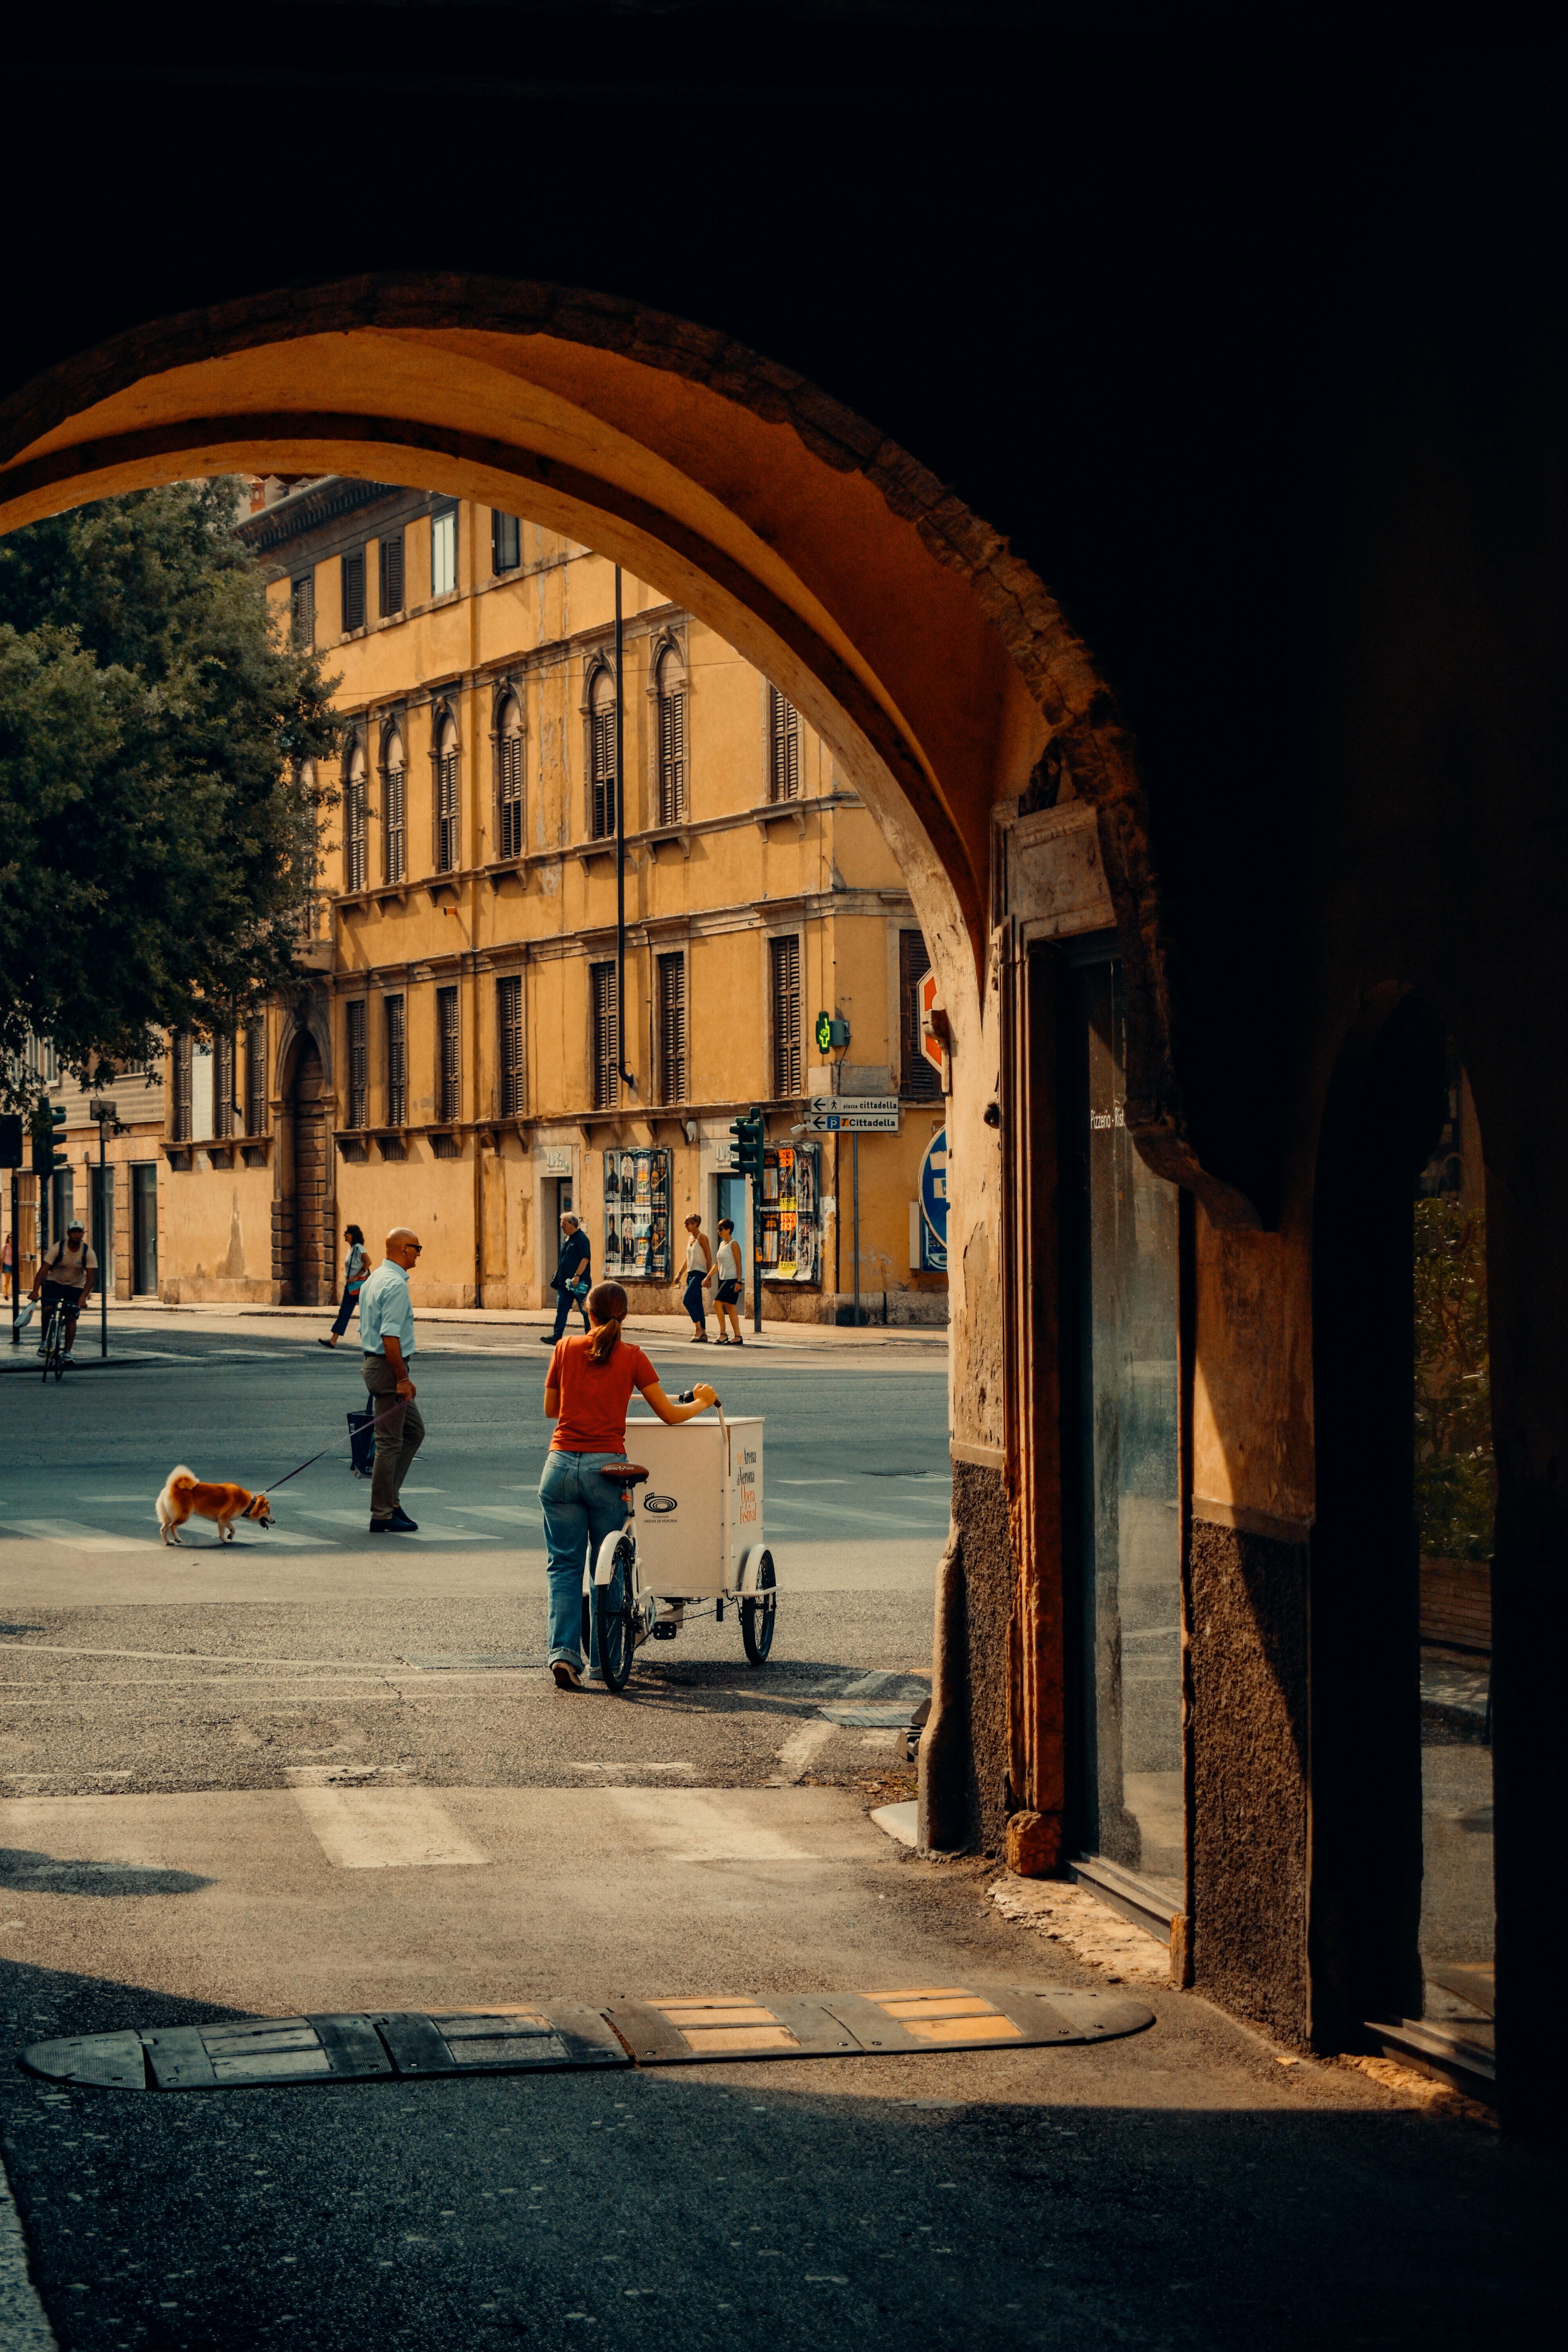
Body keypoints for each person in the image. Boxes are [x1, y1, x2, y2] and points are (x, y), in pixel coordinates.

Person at [540, 1280, 719, 1689]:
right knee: (610, 1568)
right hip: (606, 1472)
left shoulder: (565, 1349)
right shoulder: (633, 1357)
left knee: (563, 1567)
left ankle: (564, 1654)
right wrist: (704, 1402)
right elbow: (670, 1415)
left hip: (560, 1468)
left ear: (588, 1312)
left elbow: (552, 1409)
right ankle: (606, 1662)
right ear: (624, 1316)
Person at [357, 1226, 425, 1534]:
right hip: (387, 1368)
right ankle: (383, 1513)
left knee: (413, 1431)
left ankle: (391, 1501)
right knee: (389, 1443)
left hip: (380, 1366)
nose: (419, 1254)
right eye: (417, 1248)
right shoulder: (395, 1285)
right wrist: (402, 1379)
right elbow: (390, 1336)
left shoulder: (375, 1279)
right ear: (403, 1250)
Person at [29, 1218, 96, 1365]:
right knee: (47, 1309)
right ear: (68, 1234)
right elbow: (43, 1271)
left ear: (83, 1234)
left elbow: (91, 1279)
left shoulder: (88, 1252)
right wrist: (35, 1291)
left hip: (75, 1287)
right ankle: (44, 1342)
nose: (77, 1235)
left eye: (79, 1232)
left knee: (71, 1316)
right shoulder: (58, 1248)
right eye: (74, 1232)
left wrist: (83, 1298)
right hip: (54, 1283)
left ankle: (67, 1352)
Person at [540, 1211, 592, 1344]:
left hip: (579, 1282)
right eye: (561, 1223)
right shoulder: (567, 1239)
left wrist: (577, 1275)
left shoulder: (581, 1239)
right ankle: (557, 1335)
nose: (561, 1226)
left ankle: (591, 1334)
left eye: (564, 1223)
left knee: (585, 1310)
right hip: (565, 1284)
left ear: (573, 1224)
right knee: (562, 1308)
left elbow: (585, 1259)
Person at [318, 1224, 369, 1348]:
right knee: (344, 1312)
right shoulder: (351, 1250)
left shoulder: (359, 1249)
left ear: (352, 1235)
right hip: (351, 1286)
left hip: (361, 1286)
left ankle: (367, 1342)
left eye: (347, 1233)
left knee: (366, 1313)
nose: (345, 1235)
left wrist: (356, 1277)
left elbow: (368, 1263)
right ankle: (333, 1340)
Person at [710, 1216, 745, 1345]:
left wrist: (739, 1282)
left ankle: (723, 1334)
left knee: (716, 1304)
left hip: (732, 1280)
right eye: (718, 1229)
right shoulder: (722, 1244)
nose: (718, 1231)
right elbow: (717, 1264)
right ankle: (738, 1336)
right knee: (731, 1308)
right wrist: (708, 1277)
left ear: (728, 1230)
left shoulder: (733, 1244)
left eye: (721, 1229)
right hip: (723, 1278)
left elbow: (738, 1263)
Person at [681, 1212, 712, 1341]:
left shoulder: (702, 1238)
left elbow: (709, 1257)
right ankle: (704, 1333)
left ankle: (698, 1329)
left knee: (687, 1300)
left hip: (700, 1274)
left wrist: (709, 1277)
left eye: (688, 1223)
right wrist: (680, 1274)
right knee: (698, 1303)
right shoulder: (690, 1240)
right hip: (691, 1273)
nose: (685, 1226)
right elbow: (688, 1259)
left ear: (696, 1224)